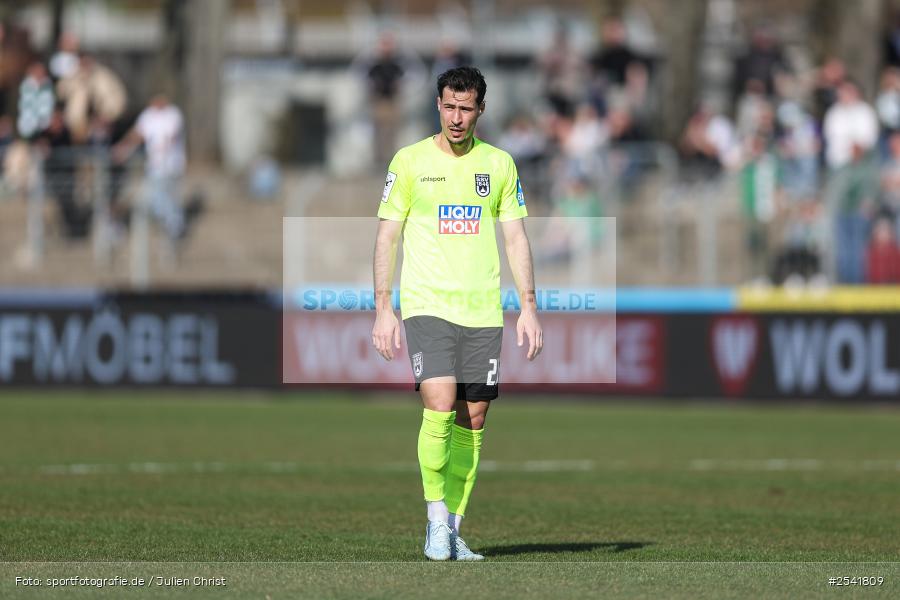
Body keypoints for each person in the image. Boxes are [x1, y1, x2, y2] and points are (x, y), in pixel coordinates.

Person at [371, 66, 542, 561]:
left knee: (474, 417)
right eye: (449, 106)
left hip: (483, 310)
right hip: (427, 304)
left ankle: (453, 529)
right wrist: (384, 309)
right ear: (437, 105)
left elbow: (515, 237)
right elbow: (386, 235)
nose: (456, 117)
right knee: (440, 403)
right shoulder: (409, 162)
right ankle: (433, 525)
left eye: (466, 108)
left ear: (480, 110)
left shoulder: (500, 165)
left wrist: (529, 308)